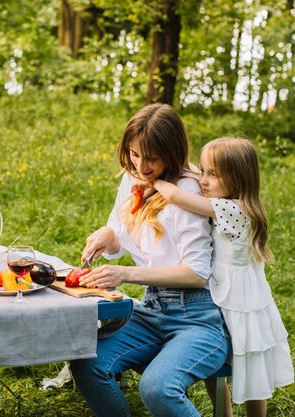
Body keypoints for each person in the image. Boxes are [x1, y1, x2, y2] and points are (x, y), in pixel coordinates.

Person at [70, 103, 230, 417]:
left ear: (172, 152)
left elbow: (197, 272)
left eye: (152, 158)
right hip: (152, 308)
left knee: (158, 387)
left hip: (196, 317)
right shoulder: (133, 180)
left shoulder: (186, 190)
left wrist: (125, 273)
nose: (141, 166)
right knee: (86, 362)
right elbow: (124, 236)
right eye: (134, 154)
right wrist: (108, 235)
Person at [153, 137, 294, 417]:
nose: (203, 180)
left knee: (251, 365)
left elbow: (176, 196)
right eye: (203, 171)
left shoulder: (235, 209)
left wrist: (155, 180)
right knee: (214, 364)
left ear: (238, 178)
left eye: (213, 174)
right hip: (219, 293)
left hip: (238, 301)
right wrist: (188, 167)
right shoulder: (231, 200)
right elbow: (195, 172)